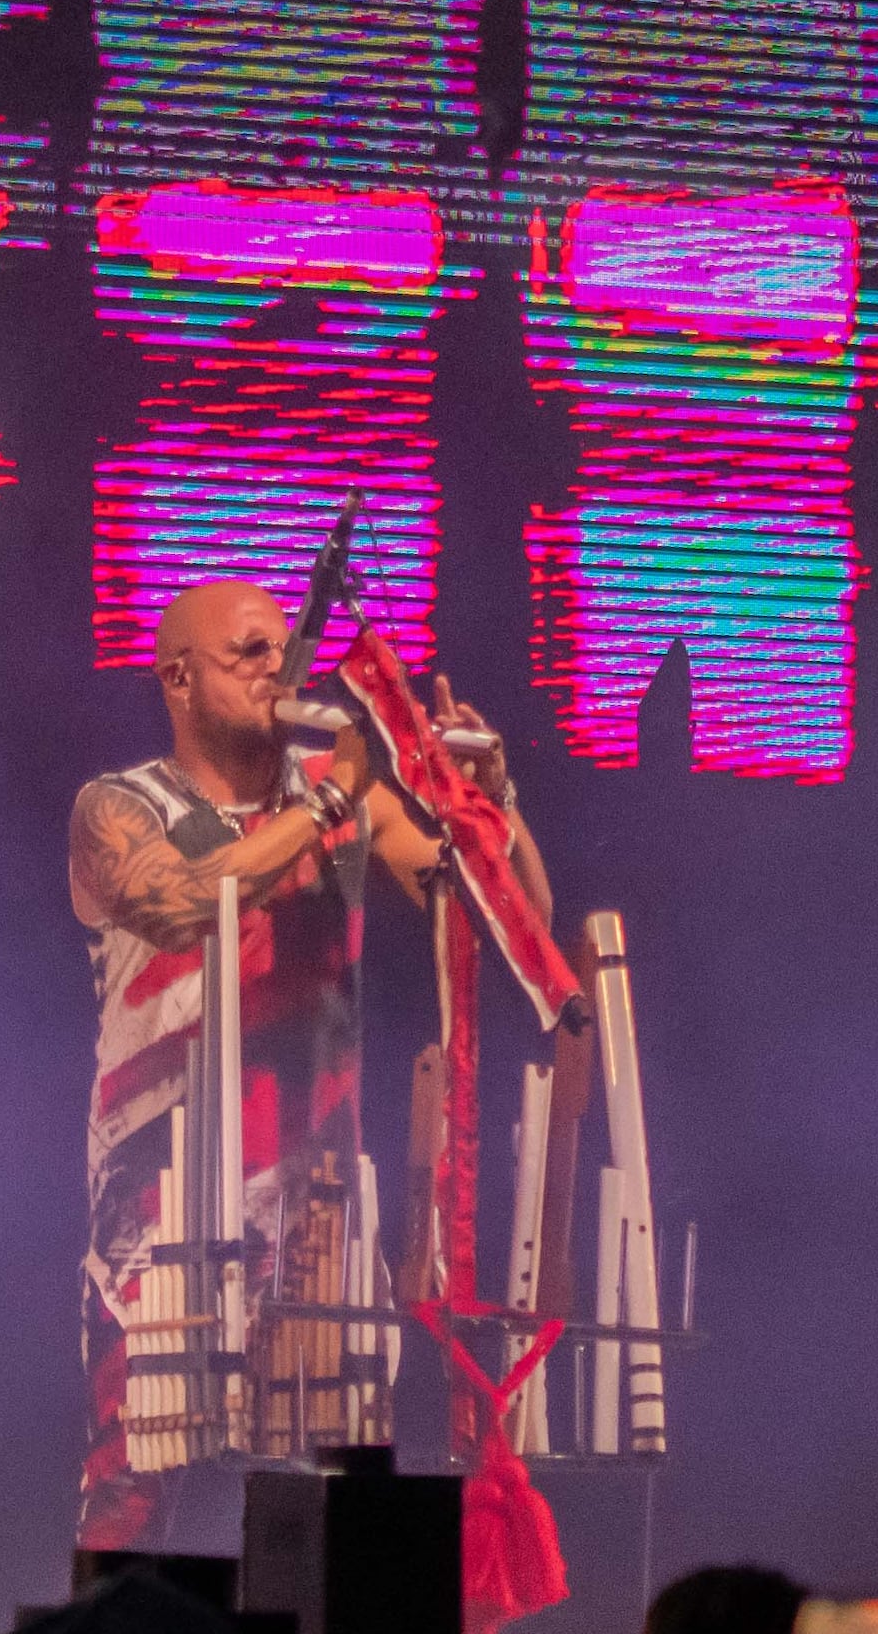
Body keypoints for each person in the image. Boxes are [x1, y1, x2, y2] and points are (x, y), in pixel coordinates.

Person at [62, 571, 532, 1548]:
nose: (276, 668)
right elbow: (181, 903)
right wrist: (329, 810)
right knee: (135, 1520)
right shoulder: (115, 807)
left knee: (331, 1537)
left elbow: (500, 922)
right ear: (179, 680)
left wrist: (495, 813)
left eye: (281, 649)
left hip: (313, 1227)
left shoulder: (341, 799)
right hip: (157, 1228)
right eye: (246, 654)